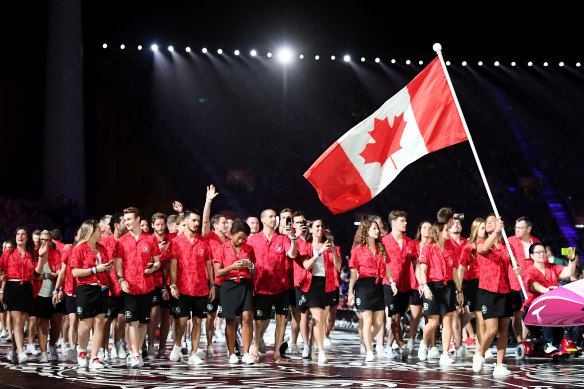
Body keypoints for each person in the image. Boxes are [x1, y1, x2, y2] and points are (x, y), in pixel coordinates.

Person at [247, 208, 301, 362]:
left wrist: (293, 239)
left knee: (282, 319)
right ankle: (255, 347)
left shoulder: (283, 239)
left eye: (274, 217)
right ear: (263, 220)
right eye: (270, 217)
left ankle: (276, 353)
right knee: (259, 321)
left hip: (281, 287)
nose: (273, 219)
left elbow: (292, 254)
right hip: (261, 287)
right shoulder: (252, 240)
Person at [472, 215, 521, 377]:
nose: (489, 223)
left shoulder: (508, 246)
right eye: (487, 222)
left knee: (504, 331)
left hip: (505, 290)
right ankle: (479, 354)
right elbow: (483, 249)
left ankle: (499, 365)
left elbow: (515, 264)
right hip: (488, 290)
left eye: (492, 220)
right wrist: (496, 231)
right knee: (491, 329)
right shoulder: (481, 243)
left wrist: (517, 270)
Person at [114, 207, 162, 368]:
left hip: (147, 286)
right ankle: (134, 353)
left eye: (129, 219)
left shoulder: (150, 239)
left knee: (143, 322)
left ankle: (138, 352)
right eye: (125, 220)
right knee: (132, 322)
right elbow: (118, 266)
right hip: (130, 288)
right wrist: (121, 280)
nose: (126, 222)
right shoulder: (121, 241)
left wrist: (153, 268)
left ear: (138, 220)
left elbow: (157, 262)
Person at [168, 210, 216, 366]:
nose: (196, 223)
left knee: (197, 321)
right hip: (182, 288)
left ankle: (194, 353)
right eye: (194, 220)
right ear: (186, 221)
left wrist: (213, 285)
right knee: (181, 321)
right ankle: (178, 345)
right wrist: (172, 285)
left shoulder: (203, 242)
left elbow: (209, 264)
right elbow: (173, 266)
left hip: (201, 288)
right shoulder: (176, 241)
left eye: (198, 221)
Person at [70, 220, 114, 369]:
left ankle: (95, 356)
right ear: (90, 231)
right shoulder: (79, 248)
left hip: (101, 288)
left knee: (99, 323)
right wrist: (95, 269)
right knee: (85, 325)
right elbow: (75, 272)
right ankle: (82, 351)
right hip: (86, 289)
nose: (101, 232)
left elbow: (104, 268)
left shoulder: (102, 248)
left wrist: (107, 268)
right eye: (98, 229)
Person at [418, 222, 463, 365]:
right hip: (432, 285)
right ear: (438, 232)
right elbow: (422, 269)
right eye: (446, 230)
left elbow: (455, 270)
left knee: (448, 319)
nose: (449, 232)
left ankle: (444, 354)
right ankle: (424, 344)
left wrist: (459, 290)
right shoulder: (428, 248)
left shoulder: (451, 247)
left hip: (448, 286)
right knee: (433, 322)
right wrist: (425, 287)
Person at [297, 219, 341, 364]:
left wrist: (333, 251)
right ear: (310, 229)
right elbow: (306, 266)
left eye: (322, 226)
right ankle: (321, 351)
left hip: (327, 284)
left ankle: (310, 344)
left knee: (321, 320)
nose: (320, 229)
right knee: (317, 317)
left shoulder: (329, 246)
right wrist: (319, 253)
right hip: (312, 284)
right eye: (317, 226)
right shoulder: (307, 246)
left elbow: (338, 267)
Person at [213, 219, 256, 365]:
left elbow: (254, 272)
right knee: (230, 320)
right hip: (228, 286)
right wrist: (231, 267)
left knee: (247, 316)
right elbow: (218, 273)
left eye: (244, 238)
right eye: (239, 237)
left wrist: (251, 266)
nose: (242, 240)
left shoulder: (249, 248)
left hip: (245, 284)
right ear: (232, 234)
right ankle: (232, 353)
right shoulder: (221, 248)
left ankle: (246, 353)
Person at [348, 219, 391, 363]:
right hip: (364, 286)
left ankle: (366, 341)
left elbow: (387, 268)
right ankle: (369, 351)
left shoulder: (381, 248)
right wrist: (350, 291)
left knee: (379, 321)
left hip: (378, 285)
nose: (377, 231)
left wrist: (392, 282)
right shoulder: (357, 250)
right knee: (367, 319)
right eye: (374, 228)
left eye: (378, 229)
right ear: (366, 230)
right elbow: (353, 272)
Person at [522, 242, 577, 352]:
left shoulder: (551, 268)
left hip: (554, 307)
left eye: (543, 252)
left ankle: (569, 341)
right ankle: (548, 343)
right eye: (538, 252)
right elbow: (533, 285)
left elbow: (568, 272)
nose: (542, 254)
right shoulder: (529, 271)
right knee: (546, 310)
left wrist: (572, 260)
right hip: (533, 310)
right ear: (532, 255)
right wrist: (546, 290)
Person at [0, 227, 43, 363]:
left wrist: (41, 258)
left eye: (23, 234)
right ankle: (20, 351)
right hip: (11, 287)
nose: (20, 236)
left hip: (26, 288)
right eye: (18, 234)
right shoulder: (8, 253)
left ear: (27, 238)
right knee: (17, 321)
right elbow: (1, 271)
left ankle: (13, 351)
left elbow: (37, 274)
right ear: (15, 237)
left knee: (21, 322)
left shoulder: (32, 254)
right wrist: (1, 290)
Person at [381, 210, 417, 360]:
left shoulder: (411, 243)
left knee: (399, 318)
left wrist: (421, 283)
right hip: (389, 283)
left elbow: (416, 264)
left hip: (405, 285)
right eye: (402, 221)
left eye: (405, 220)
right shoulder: (384, 242)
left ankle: (391, 345)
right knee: (394, 317)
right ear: (394, 223)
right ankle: (398, 346)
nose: (406, 223)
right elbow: (382, 263)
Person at [458, 218, 491, 360]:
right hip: (475, 283)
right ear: (476, 229)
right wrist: (458, 290)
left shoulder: (491, 245)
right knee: (480, 318)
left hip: (490, 282)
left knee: (487, 317)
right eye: (482, 228)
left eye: (485, 228)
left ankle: (483, 346)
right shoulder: (468, 247)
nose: (484, 230)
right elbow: (460, 269)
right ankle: (480, 348)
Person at [99, 213, 128, 361]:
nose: (127, 224)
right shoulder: (104, 243)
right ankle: (102, 348)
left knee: (122, 317)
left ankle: (117, 344)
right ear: (116, 225)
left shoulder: (128, 241)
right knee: (107, 320)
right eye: (124, 221)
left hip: (125, 286)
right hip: (109, 288)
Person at [507, 216, 540, 345]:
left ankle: (527, 339)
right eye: (516, 227)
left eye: (520, 228)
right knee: (517, 314)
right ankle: (520, 340)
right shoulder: (509, 241)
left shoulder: (536, 243)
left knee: (529, 312)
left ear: (528, 229)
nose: (517, 230)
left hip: (531, 283)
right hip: (514, 283)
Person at [33, 230, 62, 363]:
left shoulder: (56, 254)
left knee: (57, 324)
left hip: (54, 292)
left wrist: (59, 288)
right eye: (42, 240)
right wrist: (48, 275)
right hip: (39, 293)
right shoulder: (34, 254)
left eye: (48, 240)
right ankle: (44, 352)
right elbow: (33, 275)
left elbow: (61, 273)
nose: (45, 242)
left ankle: (52, 345)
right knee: (42, 324)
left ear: (51, 241)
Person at [148, 212, 172, 360]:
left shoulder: (171, 240)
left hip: (167, 283)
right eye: (157, 224)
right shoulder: (148, 241)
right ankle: (150, 345)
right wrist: (159, 252)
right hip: (151, 282)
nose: (160, 227)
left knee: (166, 315)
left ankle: (162, 348)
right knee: (153, 313)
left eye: (162, 224)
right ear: (152, 225)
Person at [448, 216, 473, 358]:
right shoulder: (446, 242)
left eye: (459, 223)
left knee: (469, 312)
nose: (456, 225)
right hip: (452, 280)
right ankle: (458, 344)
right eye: (453, 223)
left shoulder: (467, 242)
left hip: (467, 280)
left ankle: (454, 336)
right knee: (456, 312)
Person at [409, 220, 432, 355]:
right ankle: (411, 340)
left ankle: (428, 344)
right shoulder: (414, 245)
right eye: (424, 227)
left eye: (430, 228)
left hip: (432, 284)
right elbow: (417, 266)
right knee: (416, 314)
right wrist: (420, 284)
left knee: (430, 316)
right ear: (420, 229)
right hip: (416, 284)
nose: (427, 230)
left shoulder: (435, 245)